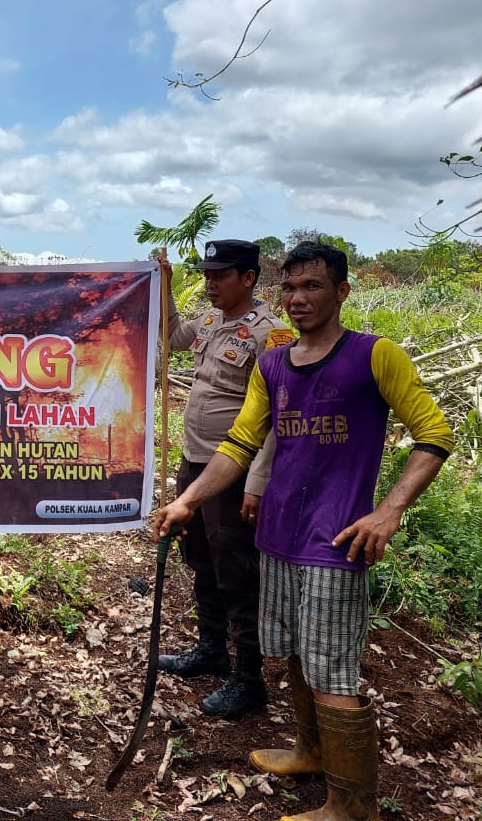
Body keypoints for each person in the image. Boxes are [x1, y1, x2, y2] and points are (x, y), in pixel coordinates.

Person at [152, 241, 453, 821]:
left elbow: (434, 435)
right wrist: (187, 499)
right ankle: (311, 750)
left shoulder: (375, 355)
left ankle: (350, 805)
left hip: (335, 541)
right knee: (290, 651)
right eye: (290, 288)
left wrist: (388, 511)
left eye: (313, 287)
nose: (299, 299)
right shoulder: (274, 363)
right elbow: (240, 443)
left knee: (332, 668)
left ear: (342, 292)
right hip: (278, 536)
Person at [156, 239, 289, 719]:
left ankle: (248, 679)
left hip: (231, 471)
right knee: (201, 557)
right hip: (195, 463)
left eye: (220, 276)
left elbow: (277, 416)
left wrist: (257, 478)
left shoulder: (270, 335)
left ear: (248, 278)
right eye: (207, 275)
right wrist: (165, 284)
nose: (210, 283)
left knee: (236, 569)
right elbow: (169, 336)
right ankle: (210, 648)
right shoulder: (210, 322)